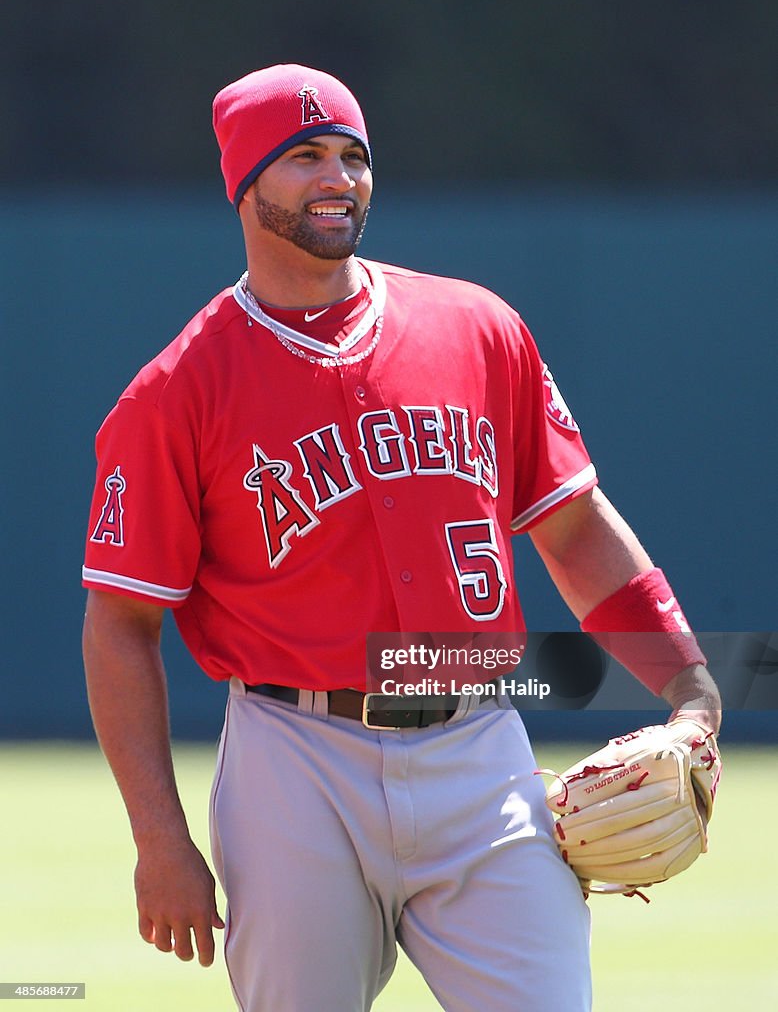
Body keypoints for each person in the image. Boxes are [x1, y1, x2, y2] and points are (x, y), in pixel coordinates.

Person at [82, 64, 721, 1012]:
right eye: (303, 157)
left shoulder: (477, 328)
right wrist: (158, 840)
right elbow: (122, 626)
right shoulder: (176, 392)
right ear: (244, 186)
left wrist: (690, 687)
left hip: (480, 750)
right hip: (294, 761)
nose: (336, 177)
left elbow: (575, 528)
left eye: (352, 156)